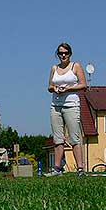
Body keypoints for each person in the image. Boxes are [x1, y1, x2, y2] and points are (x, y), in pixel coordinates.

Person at [44, 43, 87, 177]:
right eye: (61, 53)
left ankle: (80, 169)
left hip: (71, 105)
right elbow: (49, 86)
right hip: (56, 106)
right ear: (57, 54)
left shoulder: (76, 66)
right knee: (58, 139)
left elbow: (83, 85)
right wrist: (55, 89)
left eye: (66, 53)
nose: (63, 55)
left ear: (70, 54)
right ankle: (57, 169)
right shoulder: (54, 68)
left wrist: (68, 88)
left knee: (74, 137)